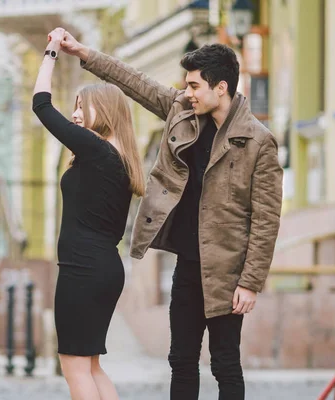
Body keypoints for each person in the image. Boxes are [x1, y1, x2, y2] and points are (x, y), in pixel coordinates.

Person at [57, 30, 283, 400]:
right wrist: (83, 52)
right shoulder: (183, 112)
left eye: (194, 85)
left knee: (225, 362)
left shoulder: (258, 142)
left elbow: (266, 219)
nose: (187, 92)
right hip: (188, 263)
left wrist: (250, 281)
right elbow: (135, 82)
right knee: (181, 359)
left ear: (220, 87)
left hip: (227, 271)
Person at [32, 28, 145, 400]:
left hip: (83, 270)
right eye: (76, 107)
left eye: (82, 106)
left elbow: (42, 106)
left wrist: (51, 52)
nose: (76, 115)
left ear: (106, 112)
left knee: (75, 366)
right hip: (103, 269)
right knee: (91, 365)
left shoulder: (97, 151)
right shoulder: (120, 160)